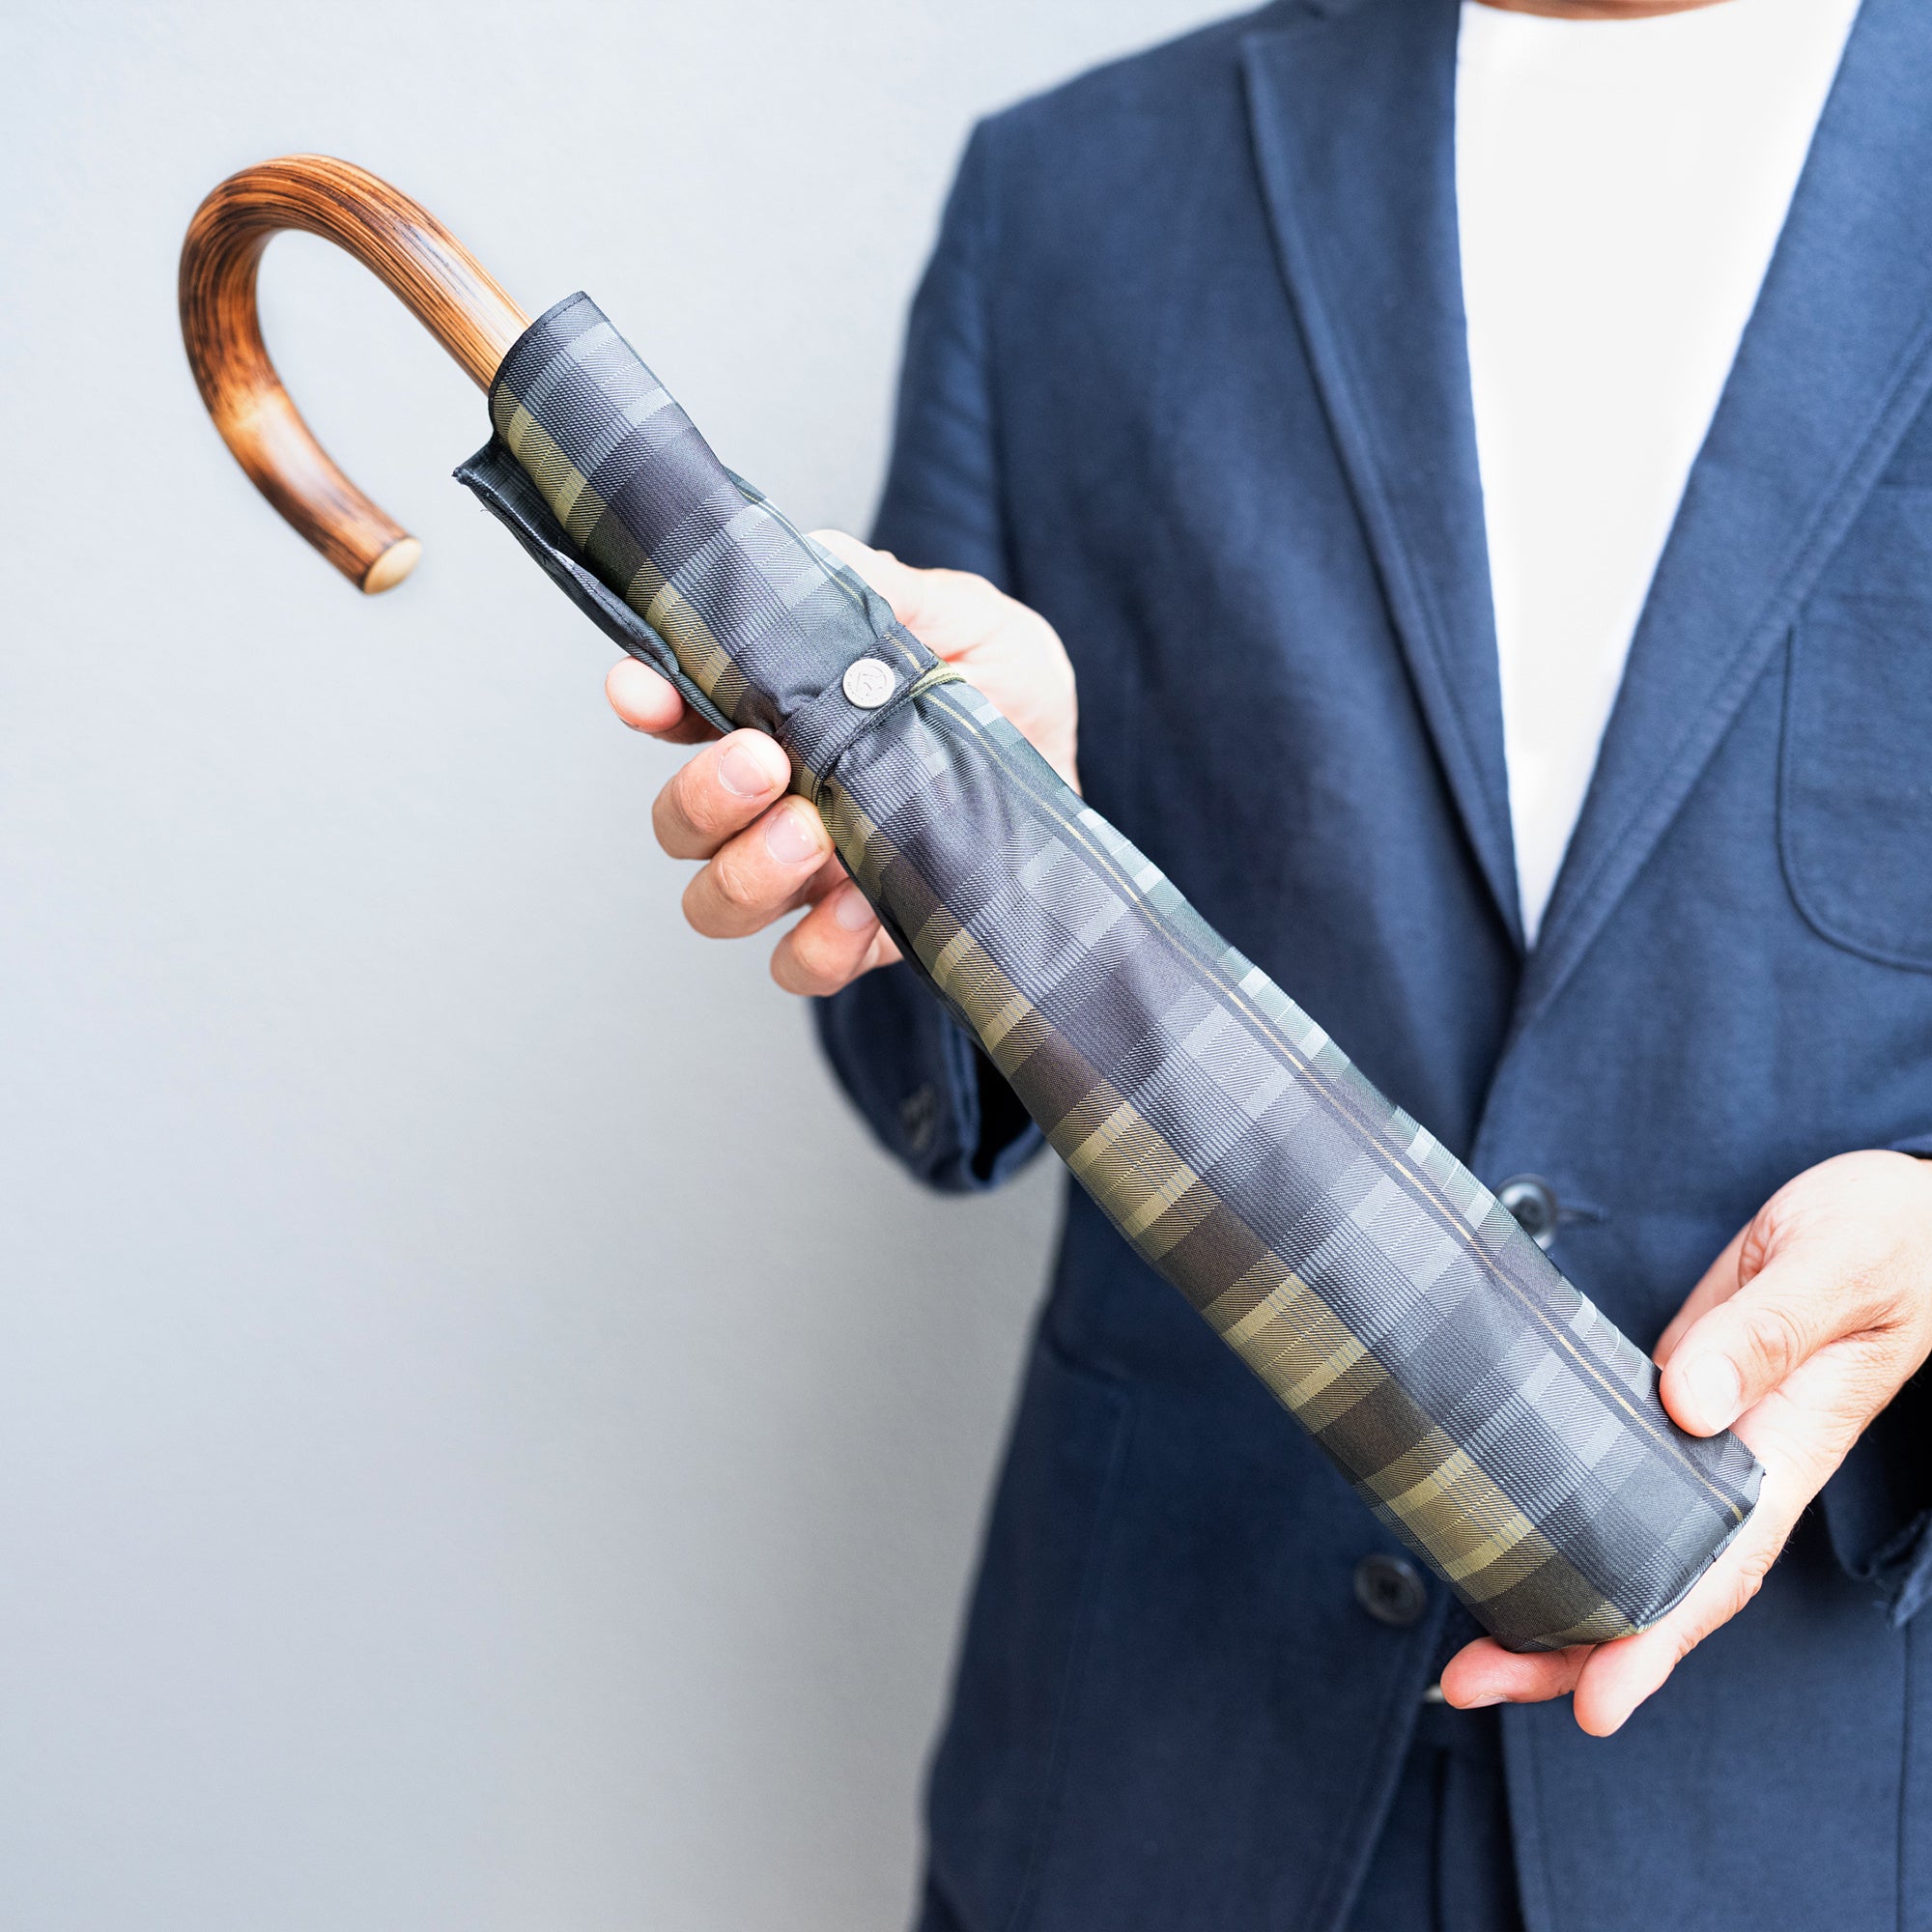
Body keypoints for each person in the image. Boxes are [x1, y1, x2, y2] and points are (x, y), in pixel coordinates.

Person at [607, 0, 1932, 1923]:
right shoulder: (1067, 198)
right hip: (1167, 1786)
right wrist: (991, 835)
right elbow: (922, 1083)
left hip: (1826, 1801)